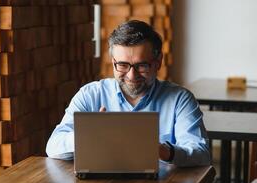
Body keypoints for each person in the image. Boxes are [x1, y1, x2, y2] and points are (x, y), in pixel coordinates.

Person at [46, 20, 211, 167]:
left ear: (158, 62)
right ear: (113, 63)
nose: (132, 75)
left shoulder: (180, 99)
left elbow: (201, 154)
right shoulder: (91, 94)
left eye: (142, 66)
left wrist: (166, 152)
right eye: (123, 65)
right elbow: (53, 146)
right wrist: (86, 135)